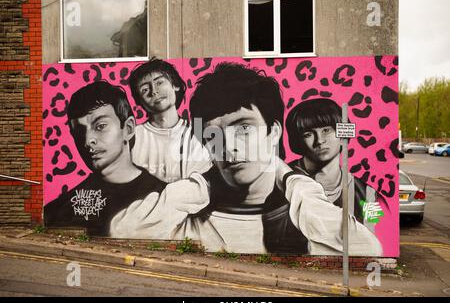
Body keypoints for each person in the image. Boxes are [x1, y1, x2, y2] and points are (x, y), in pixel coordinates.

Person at [110, 63, 383, 256]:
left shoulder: (306, 207)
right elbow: (122, 230)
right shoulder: (190, 216)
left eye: (243, 128)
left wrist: (293, 182)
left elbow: (367, 246)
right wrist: (201, 184)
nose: (228, 146)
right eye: (214, 135)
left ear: (273, 131)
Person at [44, 81, 167, 236]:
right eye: (79, 131)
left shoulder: (163, 199)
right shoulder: (56, 211)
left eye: (100, 126)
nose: (88, 140)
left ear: (128, 129)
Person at [285, 98, 388, 232]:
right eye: (308, 134)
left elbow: (376, 235)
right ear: (297, 141)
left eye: (326, 130)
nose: (320, 140)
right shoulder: (282, 182)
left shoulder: (368, 194)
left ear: (341, 136)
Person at [128, 58, 211, 183]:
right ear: (139, 101)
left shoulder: (199, 133)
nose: (154, 91)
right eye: (145, 89)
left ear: (175, 85)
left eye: (159, 82)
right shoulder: (132, 137)